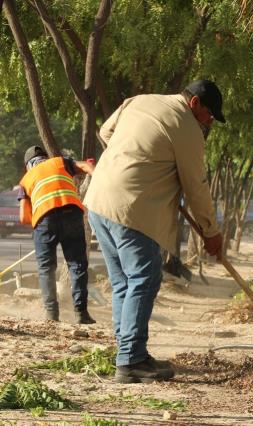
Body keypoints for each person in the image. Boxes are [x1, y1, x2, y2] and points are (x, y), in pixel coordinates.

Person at [84, 80, 225, 383]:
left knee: (124, 281)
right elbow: (196, 187)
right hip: (132, 208)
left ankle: (128, 352)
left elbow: (106, 132)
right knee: (144, 278)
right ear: (195, 103)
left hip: (98, 201)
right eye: (209, 115)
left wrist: (138, 156)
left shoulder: (139, 100)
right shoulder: (187, 128)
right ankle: (132, 359)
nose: (209, 122)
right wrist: (211, 233)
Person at [18, 146, 96, 324]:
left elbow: (23, 217)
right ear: (46, 158)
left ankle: (52, 315)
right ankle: (81, 313)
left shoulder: (25, 180)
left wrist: (39, 220)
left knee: (47, 268)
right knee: (77, 265)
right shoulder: (60, 162)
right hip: (72, 213)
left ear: (28, 165)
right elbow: (85, 166)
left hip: (45, 220)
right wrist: (99, 180)